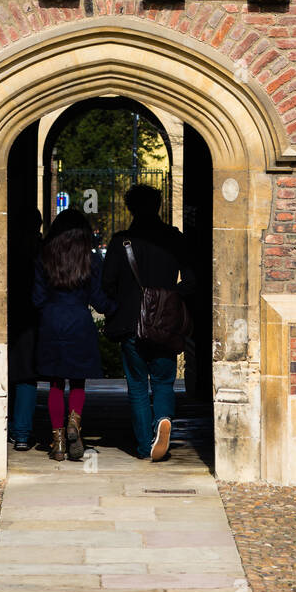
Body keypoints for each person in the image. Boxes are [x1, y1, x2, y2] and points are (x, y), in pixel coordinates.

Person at [102, 184, 196, 462]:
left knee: (139, 387)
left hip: (132, 323)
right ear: (158, 205)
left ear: (131, 208)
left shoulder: (121, 241)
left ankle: (145, 445)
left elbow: (106, 284)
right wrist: (169, 297)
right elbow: (192, 281)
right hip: (165, 322)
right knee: (164, 382)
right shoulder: (174, 238)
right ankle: (163, 419)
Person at [32, 209, 116, 462]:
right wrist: (120, 309)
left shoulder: (43, 257)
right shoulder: (90, 260)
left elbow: (36, 298)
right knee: (78, 382)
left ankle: (57, 442)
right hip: (79, 321)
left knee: (55, 384)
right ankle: (74, 423)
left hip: (51, 320)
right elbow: (100, 301)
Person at [7, 206, 43, 451]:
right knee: (27, 376)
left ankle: (13, 428)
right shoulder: (41, 250)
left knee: (12, 373)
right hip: (33, 316)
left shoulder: (8, 247)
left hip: (10, 314)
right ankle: (21, 433)